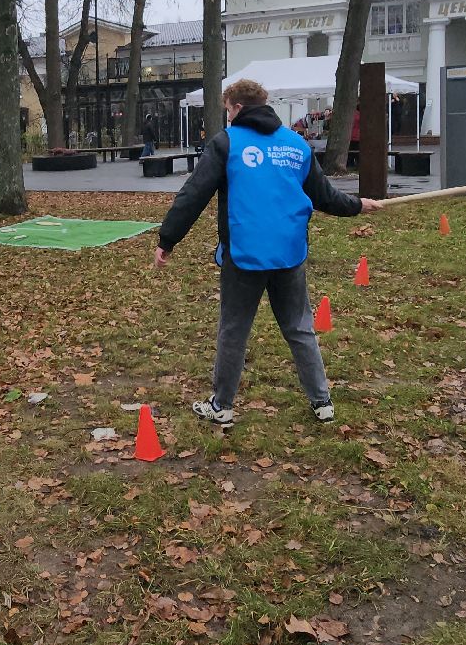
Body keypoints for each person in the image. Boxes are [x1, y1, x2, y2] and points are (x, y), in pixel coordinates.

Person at [154, 79, 383, 426]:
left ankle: (222, 406)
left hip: (244, 254)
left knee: (233, 329)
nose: (227, 116)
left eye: (227, 110)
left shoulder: (227, 143)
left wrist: (167, 240)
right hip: (289, 253)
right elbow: (324, 195)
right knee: (299, 327)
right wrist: (356, 205)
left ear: (238, 108)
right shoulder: (295, 145)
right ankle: (322, 402)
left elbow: (193, 194)